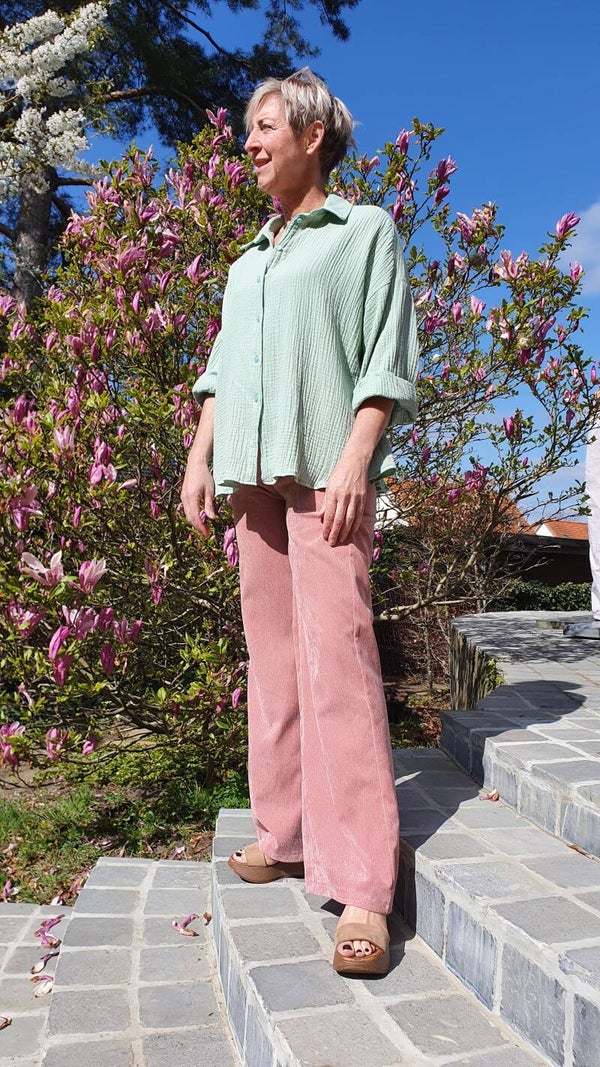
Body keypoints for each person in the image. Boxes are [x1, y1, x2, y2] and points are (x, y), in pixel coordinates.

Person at [181, 68, 418, 976]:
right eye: (248, 127)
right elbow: (219, 370)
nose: (248, 143)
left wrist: (357, 458)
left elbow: (384, 359)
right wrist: (200, 458)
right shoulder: (248, 262)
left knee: (341, 668)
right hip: (253, 485)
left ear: (313, 135)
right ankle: (282, 833)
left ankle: (362, 883)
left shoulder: (362, 233)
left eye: (265, 125)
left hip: (327, 479)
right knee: (274, 662)